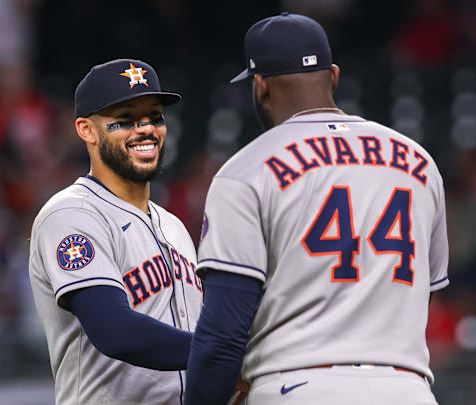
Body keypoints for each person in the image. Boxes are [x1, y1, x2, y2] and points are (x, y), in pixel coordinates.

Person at [185, 13, 449, 405]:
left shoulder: (244, 171)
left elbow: (224, 335)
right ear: (334, 77)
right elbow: (421, 296)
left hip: (298, 386)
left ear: (259, 87)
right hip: (407, 388)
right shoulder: (419, 163)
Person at [29, 59, 203, 405]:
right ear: (86, 130)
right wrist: (223, 352)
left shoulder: (174, 227)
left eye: (154, 117)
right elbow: (115, 331)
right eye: (125, 120)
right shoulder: (72, 213)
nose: (146, 130)